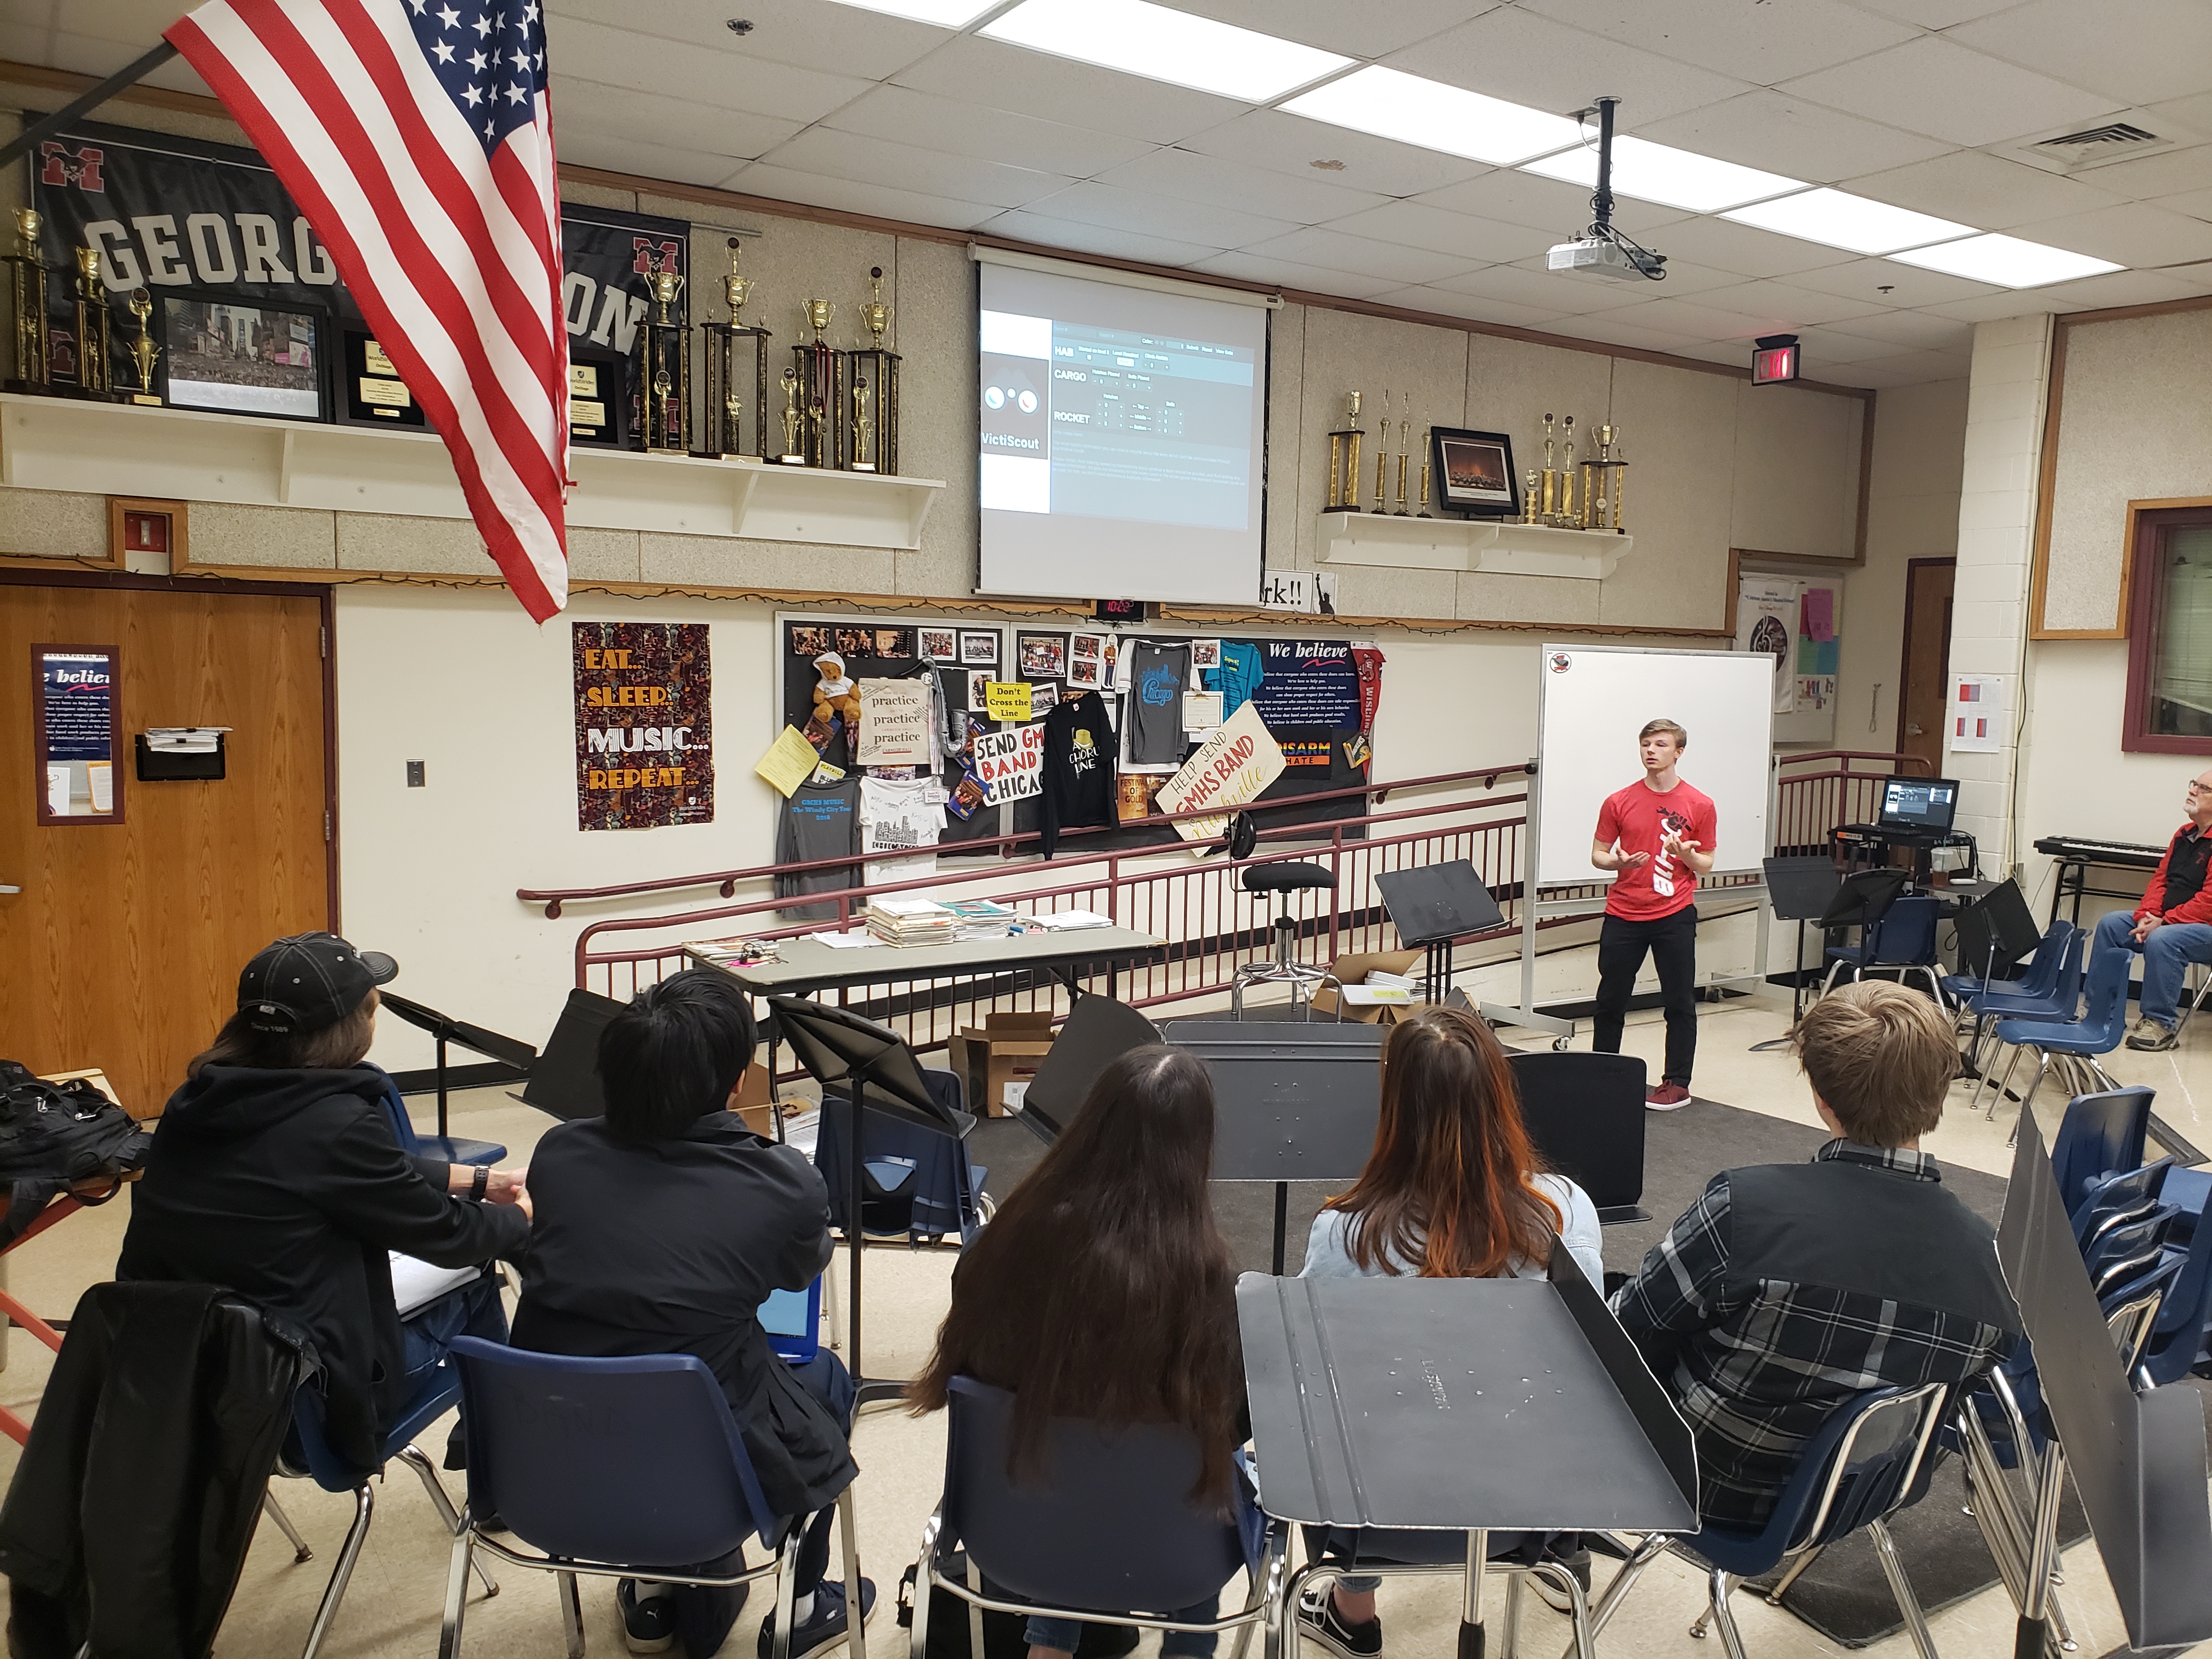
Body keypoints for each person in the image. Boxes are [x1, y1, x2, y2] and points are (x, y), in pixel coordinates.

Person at [510, 969, 870, 1659]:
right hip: (703, 1444)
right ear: (737, 1083)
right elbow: (796, 1272)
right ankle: (802, 1607)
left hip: (552, 1455)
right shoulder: (782, 1181)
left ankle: (649, 1595)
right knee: (823, 1379)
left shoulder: (559, 1154)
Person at [117, 933, 529, 1479]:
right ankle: (500, 1469)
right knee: (479, 1274)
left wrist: (479, 1182)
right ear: (353, 1026)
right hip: (299, 1403)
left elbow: (344, 1169)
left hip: (189, 1387)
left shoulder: (197, 1101)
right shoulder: (335, 1125)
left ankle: (492, 1456)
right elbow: (451, 1237)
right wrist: (522, 1213)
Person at [1609, 981, 2016, 1529]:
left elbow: (1629, 1333)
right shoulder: (1992, 1266)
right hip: (1859, 1497)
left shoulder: (1747, 1210)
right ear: (1939, 1095)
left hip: (1704, 1481)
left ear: (1821, 1096)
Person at [907, 1046, 1246, 1659]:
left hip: (1024, 1529)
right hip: (1171, 1554)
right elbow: (1237, 1425)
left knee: (1065, 1450)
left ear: (1091, 1125)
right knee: (1207, 1476)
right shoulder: (1212, 1284)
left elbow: (974, 1369)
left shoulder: (997, 1246)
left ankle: (1051, 1644)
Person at [1295, 1005, 1602, 1656]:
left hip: (1379, 1513)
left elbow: (1321, 1378)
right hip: (1528, 1507)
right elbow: (1587, 1364)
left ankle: (1353, 1614)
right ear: (1499, 1094)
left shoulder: (1344, 1234)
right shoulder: (1566, 1211)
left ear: (1393, 1106)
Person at [1590, 718, 1717, 1110]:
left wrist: (1687, 856)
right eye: (1646, 744)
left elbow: (1707, 862)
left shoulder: (1700, 804)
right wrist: (1618, 863)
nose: (1650, 751)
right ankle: (1603, 1072)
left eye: (1660, 745)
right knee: (1610, 1000)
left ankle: (1677, 1083)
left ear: (1678, 752)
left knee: (1679, 1002)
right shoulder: (1618, 801)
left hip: (1674, 913)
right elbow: (1598, 854)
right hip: (1624, 913)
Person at [2094, 766, 2212, 1052]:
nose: (2192, 791)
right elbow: (2160, 881)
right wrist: (2146, 916)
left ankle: (2160, 1023)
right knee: (2112, 925)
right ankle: (2102, 1013)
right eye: (2194, 784)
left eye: (2203, 788)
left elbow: (2209, 902)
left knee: (2164, 940)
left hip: (2202, 928)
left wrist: (2164, 922)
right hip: (2168, 921)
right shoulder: (2184, 834)